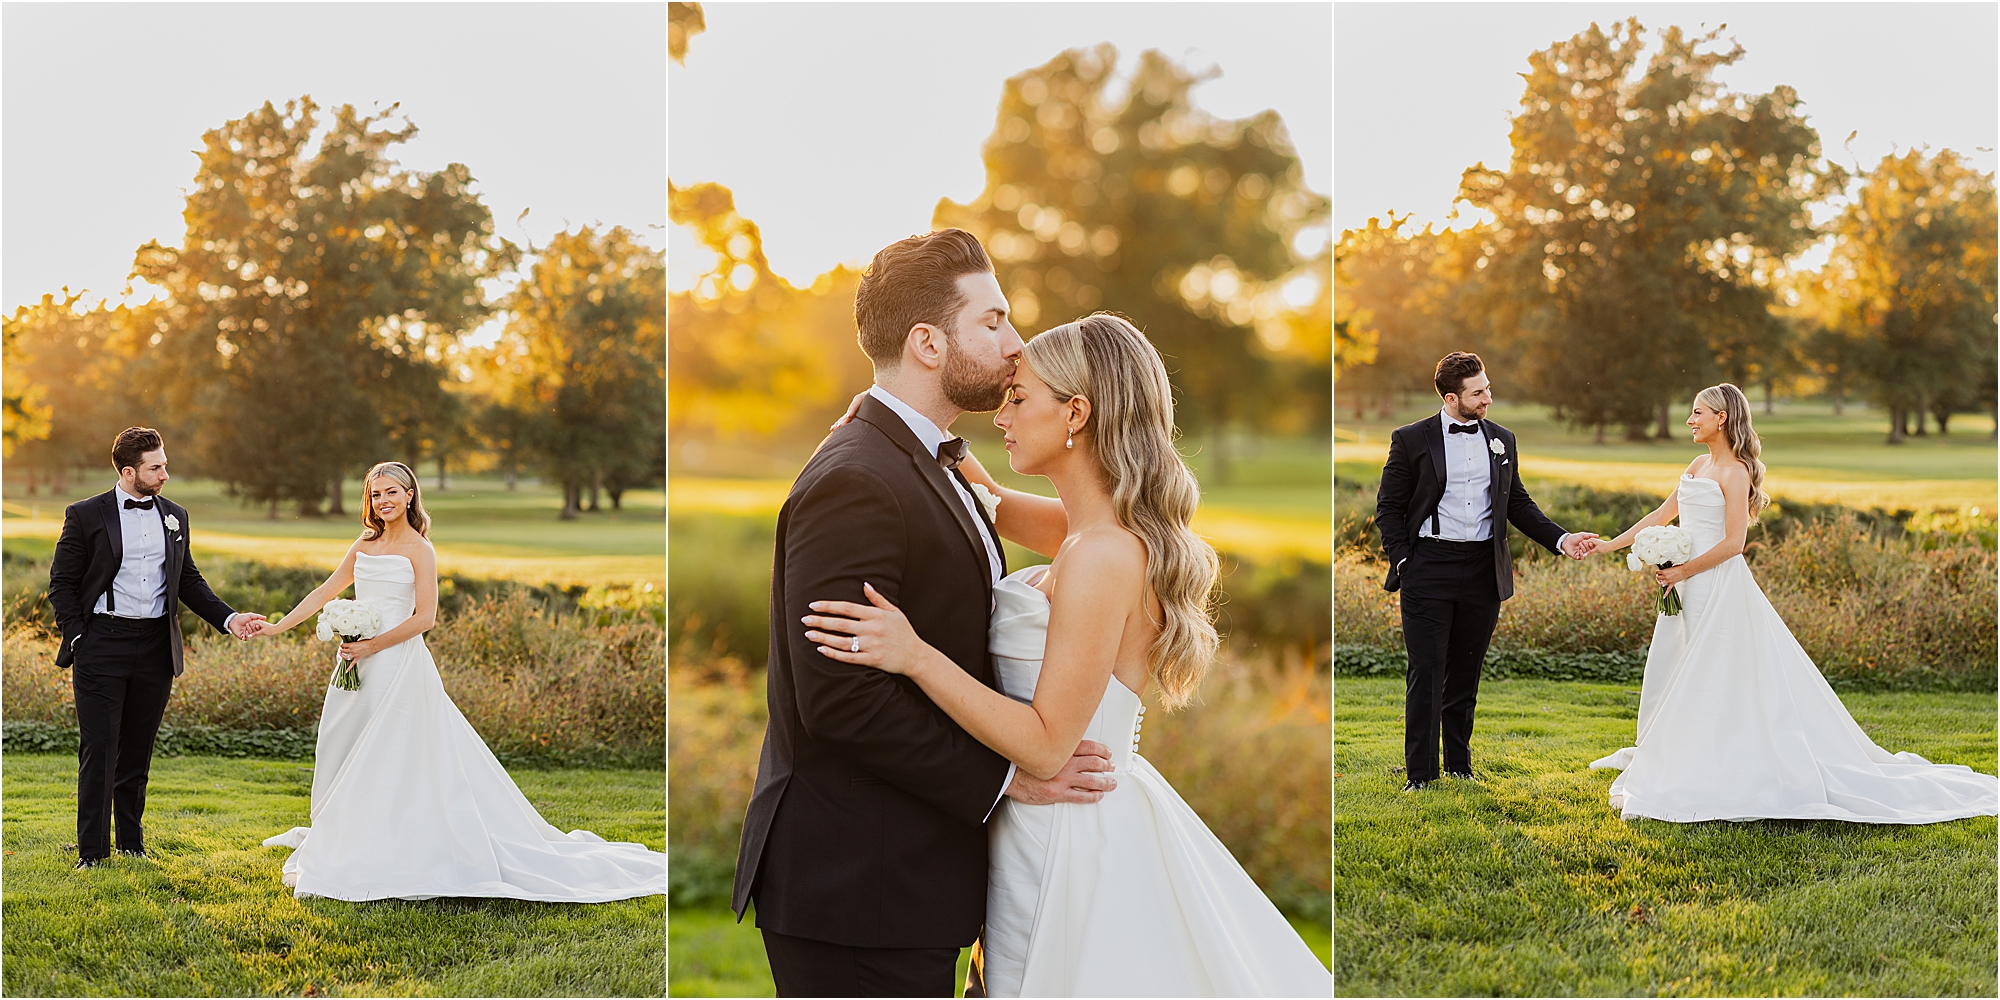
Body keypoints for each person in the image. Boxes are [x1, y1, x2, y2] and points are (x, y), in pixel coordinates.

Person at [805, 313, 1331, 996]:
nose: (1002, 414)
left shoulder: (1102, 556)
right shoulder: (1092, 530)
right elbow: (984, 501)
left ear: (1075, 412)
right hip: (1042, 824)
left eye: (1019, 398)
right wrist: (893, 424)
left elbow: (1050, 746)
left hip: (1066, 836)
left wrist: (914, 655)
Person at [732, 230, 1117, 998]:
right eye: (994, 322)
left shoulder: (929, 461)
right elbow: (841, 701)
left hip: (911, 878)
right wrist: (1008, 781)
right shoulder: (858, 478)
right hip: (856, 885)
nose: (1015, 347)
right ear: (928, 343)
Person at [1584, 384, 1999, 823]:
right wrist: (1611, 545)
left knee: (1717, 671)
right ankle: (1670, 748)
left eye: (1697, 413)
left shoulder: (1736, 471)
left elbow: (1734, 544)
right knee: (1675, 665)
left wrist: (1684, 570)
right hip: (1683, 586)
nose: (1690, 420)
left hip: (1714, 584)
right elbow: (1661, 515)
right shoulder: (1697, 463)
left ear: (1721, 418)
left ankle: (1721, 759)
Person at [251, 461, 665, 900]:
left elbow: (425, 617)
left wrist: (373, 646)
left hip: (395, 663)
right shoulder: (364, 543)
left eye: (392, 492)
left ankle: (397, 837)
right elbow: (325, 592)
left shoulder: (420, 549)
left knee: (395, 751)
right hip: (353, 662)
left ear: (410, 495)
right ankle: (343, 827)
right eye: (375, 495)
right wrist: (278, 627)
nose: (383, 501)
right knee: (344, 740)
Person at [1374, 352, 1596, 791]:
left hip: (1483, 571)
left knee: (1466, 672)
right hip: (1429, 567)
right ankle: (1420, 774)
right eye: (1479, 393)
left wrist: (1561, 538)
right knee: (1427, 671)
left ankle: (1459, 764)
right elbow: (1389, 508)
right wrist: (1405, 561)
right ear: (1452, 397)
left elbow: (1518, 504)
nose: (1488, 398)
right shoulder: (1411, 439)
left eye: (1488, 388)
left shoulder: (1502, 439)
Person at [47, 427, 266, 869]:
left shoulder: (176, 516)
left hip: (155, 649)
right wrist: (77, 637)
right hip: (101, 645)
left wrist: (229, 618)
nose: (166, 473)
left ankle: (131, 842)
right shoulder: (86, 514)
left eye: (164, 464)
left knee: (138, 750)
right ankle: (92, 852)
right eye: (156, 467)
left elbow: (188, 580)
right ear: (129, 472)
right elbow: (62, 584)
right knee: (100, 748)